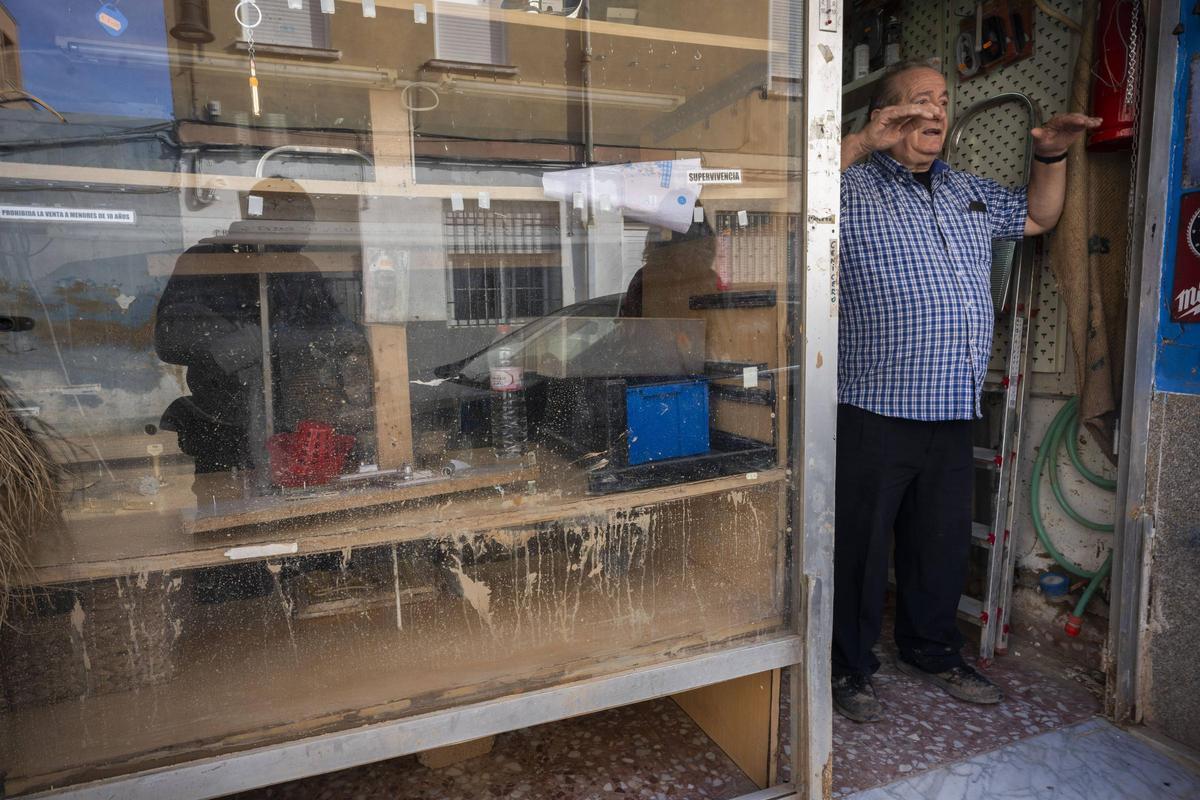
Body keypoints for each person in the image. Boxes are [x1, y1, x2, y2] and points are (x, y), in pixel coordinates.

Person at [832, 59, 1100, 723]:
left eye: (943, 101)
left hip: (951, 409)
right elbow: (783, 197)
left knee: (939, 545)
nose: (936, 113)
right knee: (860, 550)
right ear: (888, 114)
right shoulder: (848, 186)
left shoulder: (964, 190)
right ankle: (847, 667)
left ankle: (929, 648)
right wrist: (864, 140)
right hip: (873, 407)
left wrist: (1051, 154)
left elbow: (1039, 217)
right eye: (918, 102)